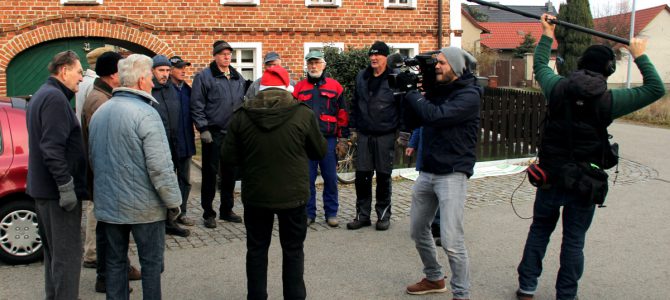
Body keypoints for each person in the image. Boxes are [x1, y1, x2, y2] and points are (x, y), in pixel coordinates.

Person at [515, 14, 665, 300]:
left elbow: (540, 65)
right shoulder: (610, 101)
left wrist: (547, 33)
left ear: (581, 64)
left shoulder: (556, 87)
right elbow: (655, 88)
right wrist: (640, 56)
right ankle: (566, 295)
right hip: (585, 181)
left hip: (550, 176)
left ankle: (527, 286)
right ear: (608, 70)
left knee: (539, 230)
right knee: (574, 241)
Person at [221, 65, 327, 300]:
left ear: (261, 89)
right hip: (294, 195)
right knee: (293, 250)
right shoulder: (303, 113)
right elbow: (319, 150)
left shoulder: (241, 115)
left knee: (257, 250)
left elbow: (228, 157)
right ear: (286, 88)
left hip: (257, 194)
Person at [89, 54, 183, 300]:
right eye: (151, 77)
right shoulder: (146, 114)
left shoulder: (101, 111)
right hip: (145, 208)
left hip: (110, 205)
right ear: (142, 81)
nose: (153, 82)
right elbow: (160, 167)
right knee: (152, 266)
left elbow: (93, 159)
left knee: (115, 264)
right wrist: (174, 203)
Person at [403, 47, 482, 299]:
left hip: (452, 172)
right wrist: (408, 95)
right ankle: (434, 277)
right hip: (428, 170)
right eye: (436, 62)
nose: (437, 66)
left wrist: (413, 94)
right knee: (417, 230)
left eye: (443, 63)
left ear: (457, 68)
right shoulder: (438, 91)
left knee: (451, 241)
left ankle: (461, 293)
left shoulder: (469, 96)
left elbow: (435, 117)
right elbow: (416, 120)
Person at [26, 50, 89, 299]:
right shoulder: (54, 98)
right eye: (79, 72)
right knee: (67, 257)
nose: (81, 78)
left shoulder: (44, 93)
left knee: (54, 255)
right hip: (56, 193)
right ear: (64, 71)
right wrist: (65, 187)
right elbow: (52, 148)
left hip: (45, 190)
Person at [81, 51, 142, 293]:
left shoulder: (104, 95)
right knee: (108, 231)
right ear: (113, 74)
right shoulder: (100, 101)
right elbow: (107, 144)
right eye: (122, 71)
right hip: (105, 177)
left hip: (104, 176)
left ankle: (119, 269)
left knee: (112, 228)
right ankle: (107, 276)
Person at [191, 40, 246, 228]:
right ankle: (208, 212)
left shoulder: (237, 77)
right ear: (215, 55)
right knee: (210, 174)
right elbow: (197, 105)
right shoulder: (204, 77)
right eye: (223, 54)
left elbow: (242, 104)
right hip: (213, 133)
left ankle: (226, 210)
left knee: (230, 173)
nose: (226, 56)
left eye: (229, 54)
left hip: (232, 133)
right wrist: (203, 128)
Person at [293, 50, 349, 227]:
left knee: (330, 178)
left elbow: (343, 114)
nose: (313, 66)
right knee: (307, 179)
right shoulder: (299, 88)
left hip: (329, 140)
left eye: (316, 62)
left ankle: (331, 213)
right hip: (306, 141)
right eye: (310, 63)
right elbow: (292, 115)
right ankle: (309, 214)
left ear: (324, 65)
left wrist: (343, 140)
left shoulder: (335, 87)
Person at [347, 41, 399, 231]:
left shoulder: (395, 77)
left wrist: (402, 132)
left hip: (385, 134)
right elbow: (354, 103)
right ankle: (362, 216)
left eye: (378, 55)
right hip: (364, 134)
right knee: (362, 177)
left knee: (384, 177)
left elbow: (402, 106)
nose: (374, 58)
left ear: (386, 57)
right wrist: (352, 128)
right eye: (371, 55)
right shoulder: (362, 76)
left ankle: (383, 216)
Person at [77, 45, 115, 269]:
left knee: (94, 208)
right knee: (96, 210)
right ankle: (92, 253)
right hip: (95, 154)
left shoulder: (85, 84)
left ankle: (93, 251)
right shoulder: (95, 88)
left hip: (88, 146)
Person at [151, 55, 191, 237]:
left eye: (167, 70)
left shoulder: (172, 90)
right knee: (161, 183)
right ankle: (157, 221)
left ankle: (172, 219)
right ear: (152, 71)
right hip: (159, 146)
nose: (165, 74)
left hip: (177, 143)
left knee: (179, 181)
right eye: (161, 70)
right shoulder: (149, 91)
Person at [169, 55, 197, 227]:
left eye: (184, 67)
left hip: (186, 141)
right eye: (180, 67)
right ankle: (169, 214)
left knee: (185, 180)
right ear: (171, 70)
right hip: (170, 143)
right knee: (169, 180)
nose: (183, 70)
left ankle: (182, 212)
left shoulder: (187, 90)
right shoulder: (164, 91)